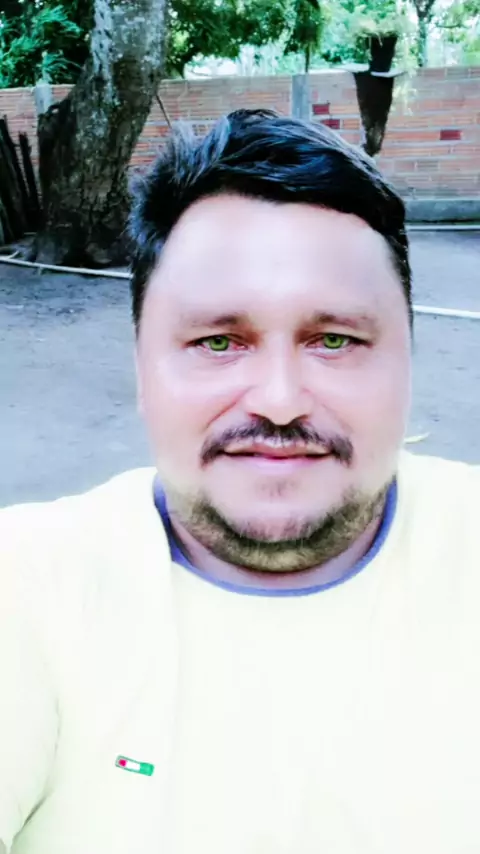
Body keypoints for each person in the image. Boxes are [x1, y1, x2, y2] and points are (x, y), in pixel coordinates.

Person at [0, 108, 478, 854]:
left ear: (409, 361)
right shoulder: (26, 584)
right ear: (141, 367)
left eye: (335, 340)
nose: (279, 401)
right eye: (218, 341)